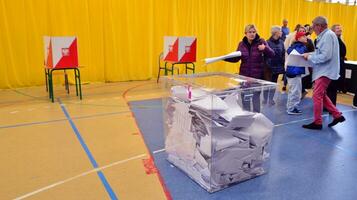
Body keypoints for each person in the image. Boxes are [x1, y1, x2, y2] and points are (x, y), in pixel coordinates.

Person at [302, 16, 345, 130]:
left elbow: (325, 56)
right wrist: (311, 55)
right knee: (322, 94)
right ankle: (337, 115)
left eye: (313, 26)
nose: (313, 29)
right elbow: (323, 53)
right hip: (325, 70)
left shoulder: (327, 36)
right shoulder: (326, 35)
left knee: (317, 95)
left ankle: (317, 122)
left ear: (319, 26)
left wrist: (310, 57)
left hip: (325, 71)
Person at [224, 24, 275, 112]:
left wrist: (265, 48)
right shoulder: (241, 44)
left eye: (254, 32)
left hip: (257, 78)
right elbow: (236, 58)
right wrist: (225, 58)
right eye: (250, 32)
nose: (252, 34)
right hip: (244, 77)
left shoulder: (261, 42)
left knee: (256, 99)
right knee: (245, 99)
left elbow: (272, 54)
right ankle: (246, 117)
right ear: (245, 33)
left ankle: (256, 118)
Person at [286, 31, 307, 115]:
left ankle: (291, 107)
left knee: (293, 91)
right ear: (298, 38)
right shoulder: (299, 47)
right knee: (295, 91)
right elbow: (300, 53)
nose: (306, 37)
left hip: (294, 71)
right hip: (294, 71)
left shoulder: (296, 46)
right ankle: (291, 108)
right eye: (304, 36)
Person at [264, 25, 285, 105]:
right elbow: (265, 56)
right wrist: (269, 65)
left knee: (274, 84)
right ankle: (265, 99)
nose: (281, 32)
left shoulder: (282, 42)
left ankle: (271, 99)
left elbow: (283, 53)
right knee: (267, 84)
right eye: (280, 31)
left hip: (277, 67)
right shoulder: (267, 42)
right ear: (276, 33)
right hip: (269, 68)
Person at [326, 24, 347, 105]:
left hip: (338, 64)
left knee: (334, 87)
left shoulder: (339, 39)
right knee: (331, 86)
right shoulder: (332, 39)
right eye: (338, 28)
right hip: (333, 66)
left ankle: (331, 105)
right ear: (333, 30)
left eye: (340, 28)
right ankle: (330, 106)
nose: (340, 29)